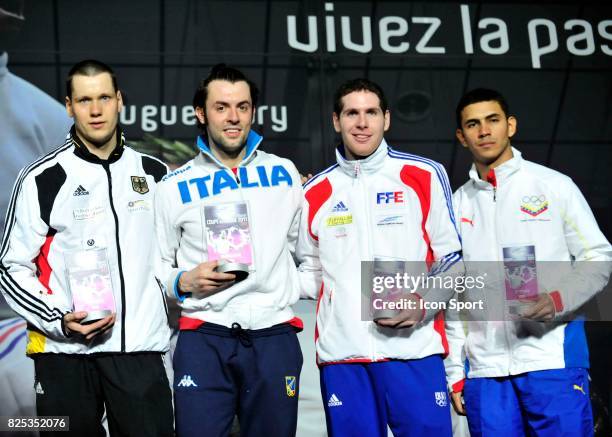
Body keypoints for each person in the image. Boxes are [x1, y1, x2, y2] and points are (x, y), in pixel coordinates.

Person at [0, 59, 173, 436]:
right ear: (68, 106)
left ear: (119, 101)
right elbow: (10, 268)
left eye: (104, 98)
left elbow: (176, 257)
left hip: (138, 353)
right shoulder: (40, 178)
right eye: (84, 100)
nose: (95, 110)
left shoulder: (155, 174)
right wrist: (58, 319)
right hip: (63, 355)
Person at [296, 78, 462, 436]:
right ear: (336, 121)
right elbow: (310, 271)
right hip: (344, 358)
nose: (362, 122)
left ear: (386, 119)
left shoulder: (422, 175)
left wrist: (423, 302)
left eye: (371, 112)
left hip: (414, 351)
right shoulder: (313, 192)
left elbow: (452, 258)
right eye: (351, 113)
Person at [445, 88, 612, 436]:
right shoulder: (456, 206)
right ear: (462, 136)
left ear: (511, 125)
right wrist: (455, 373)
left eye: (493, 120)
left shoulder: (554, 186)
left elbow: (598, 257)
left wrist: (556, 300)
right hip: (485, 371)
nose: (484, 131)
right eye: (473, 124)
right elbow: (454, 296)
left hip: (551, 360)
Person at [154, 64, 304, 437]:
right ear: (201, 114)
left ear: (253, 111)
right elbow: (155, 263)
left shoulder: (285, 173)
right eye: (221, 107)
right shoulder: (173, 185)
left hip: (274, 336)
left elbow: (306, 249)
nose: (234, 117)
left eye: (243, 106)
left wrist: (290, 291)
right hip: (204, 335)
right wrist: (182, 280)